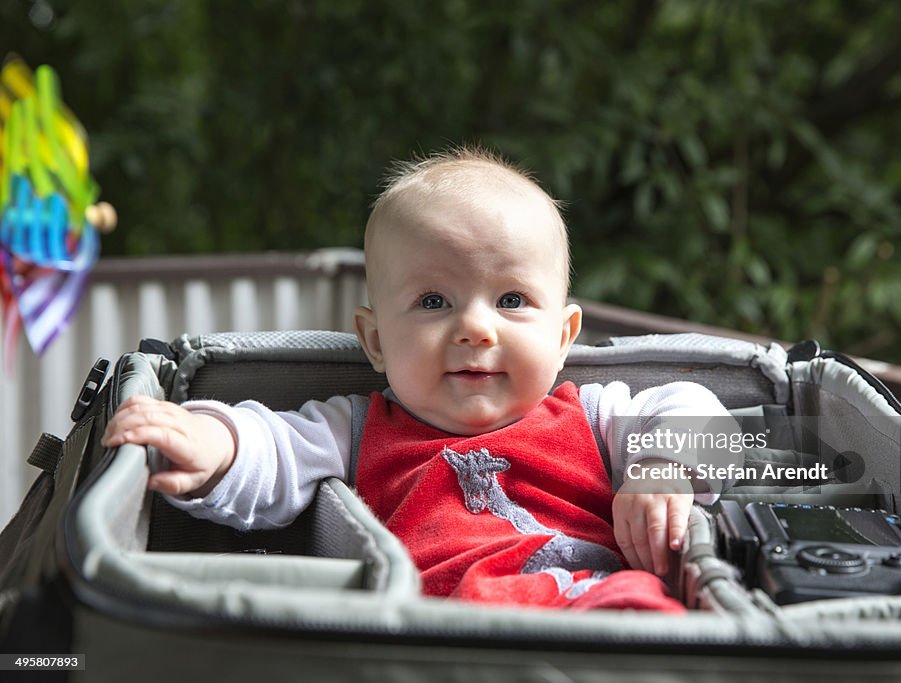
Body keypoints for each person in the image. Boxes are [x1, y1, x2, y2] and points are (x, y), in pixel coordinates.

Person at [101, 147, 734, 612]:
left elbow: (697, 408)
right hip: (432, 636)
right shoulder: (355, 428)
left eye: (511, 300)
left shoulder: (594, 416)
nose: (475, 329)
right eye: (434, 302)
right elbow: (268, 447)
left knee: (643, 606)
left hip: (592, 614)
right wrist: (211, 442)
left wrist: (664, 466)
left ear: (564, 337)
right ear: (376, 340)